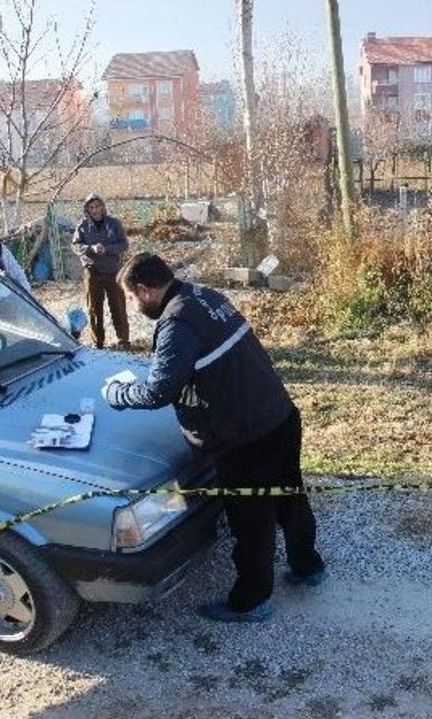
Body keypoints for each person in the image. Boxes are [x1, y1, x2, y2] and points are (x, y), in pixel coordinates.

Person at [104, 252, 325, 623]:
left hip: (246, 439)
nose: (134, 306)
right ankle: (308, 566)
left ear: (144, 290)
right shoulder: (204, 296)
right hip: (280, 415)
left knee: (251, 520)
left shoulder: (176, 323)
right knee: (290, 496)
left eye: (131, 298)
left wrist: (118, 394)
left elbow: (158, 391)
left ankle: (250, 601)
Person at [72, 193, 130, 350]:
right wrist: (91, 248)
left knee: (118, 306)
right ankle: (98, 343)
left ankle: (123, 340)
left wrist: (107, 249)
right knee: (94, 308)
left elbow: (124, 245)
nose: (95, 210)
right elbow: (75, 246)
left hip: (113, 271)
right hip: (93, 271)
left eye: (98, 206)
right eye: (91, 207)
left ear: (103, 207)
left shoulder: (114, 224)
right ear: (87, 210)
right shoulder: (82, 226)